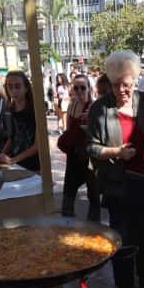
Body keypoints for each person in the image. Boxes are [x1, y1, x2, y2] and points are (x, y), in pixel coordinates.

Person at [87, 50, 144, 288]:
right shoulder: (100, 108)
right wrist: (116, 152)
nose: (121, 90)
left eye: (127, 84)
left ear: (134, 80)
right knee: (122, 238)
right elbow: (90, 147)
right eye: (115, 85)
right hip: (118, 187)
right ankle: (124, 285)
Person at [59, 74, 100, 221]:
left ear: (89, 88)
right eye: (76, 87)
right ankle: (67, 226)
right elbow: (69, 129)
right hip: (74, 154)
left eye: (83, 87)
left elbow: (99, 133)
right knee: (68, 193)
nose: (79, 91)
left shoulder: (95, 106)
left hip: (89, 155)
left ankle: (94, 229)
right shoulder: (72, 105)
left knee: (93, 195)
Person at [0, 71, 40, 172]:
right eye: (10, 86)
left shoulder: (35, 111)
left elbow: (38, 146)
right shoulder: (10, 110)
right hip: (17, 164)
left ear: (26, 88)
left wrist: (12, 160)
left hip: (34, 166)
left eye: (18, 86)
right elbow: (13, 138)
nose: (13, 90)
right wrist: (2, 154)